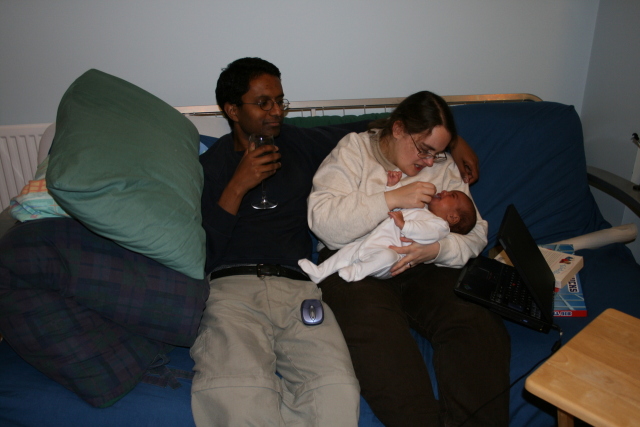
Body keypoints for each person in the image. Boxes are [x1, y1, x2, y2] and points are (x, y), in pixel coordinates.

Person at [194, 57, 483, 426]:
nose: (276, 112)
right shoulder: (212, 165)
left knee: (337, 392)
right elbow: (203, 252)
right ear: (232, 110)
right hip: (233, 286)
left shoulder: (297, 142)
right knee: (239, 395)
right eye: (263, 103)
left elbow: (378, 128)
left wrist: (453, 142)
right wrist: (238, 185)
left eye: (280, 101)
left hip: (298, 285)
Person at [307, 91, 511, 426]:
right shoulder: (354, 150)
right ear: (399, 129)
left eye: (438, 152)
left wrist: (437, 250)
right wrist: (391, 199)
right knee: (379, 341)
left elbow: (475, 233)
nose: (431, 163)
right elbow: (324, 223)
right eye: (425, 150)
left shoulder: (443, 165)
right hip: (357, 261)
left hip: (425, 264)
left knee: (477, 323)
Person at [298, 168, 477, 283]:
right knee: (348, 251)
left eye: (451, 196)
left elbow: (427, 233)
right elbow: (396, 207)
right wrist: (393, 188)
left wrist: (405, 226)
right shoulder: (421, 208)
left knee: (386, 256)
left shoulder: (441, 226)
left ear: (453, 217)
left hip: (392, 258)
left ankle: (356, 271)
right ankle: (320, 272)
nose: (444, 191)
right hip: (372, 241)